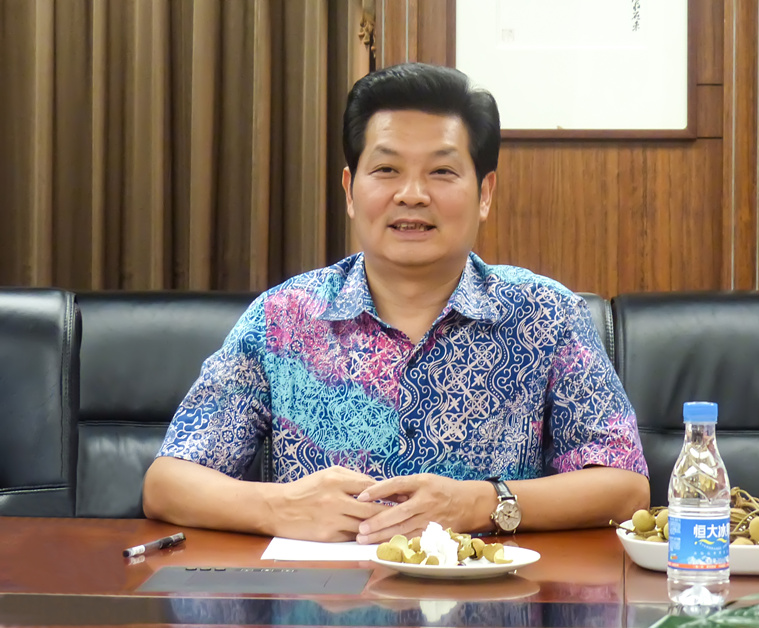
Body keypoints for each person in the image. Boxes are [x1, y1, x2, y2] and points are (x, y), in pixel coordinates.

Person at [143, 62, 649, 543]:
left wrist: (481, 503)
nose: (411, 194)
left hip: (486, 591)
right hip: (322, 593)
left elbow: (625, 486)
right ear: (350, 190)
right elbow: (167, 484)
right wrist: (279, 507)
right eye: (386, 169)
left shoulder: (546, 314)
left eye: (442, 172)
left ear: (485, 193)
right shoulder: (284, 317)